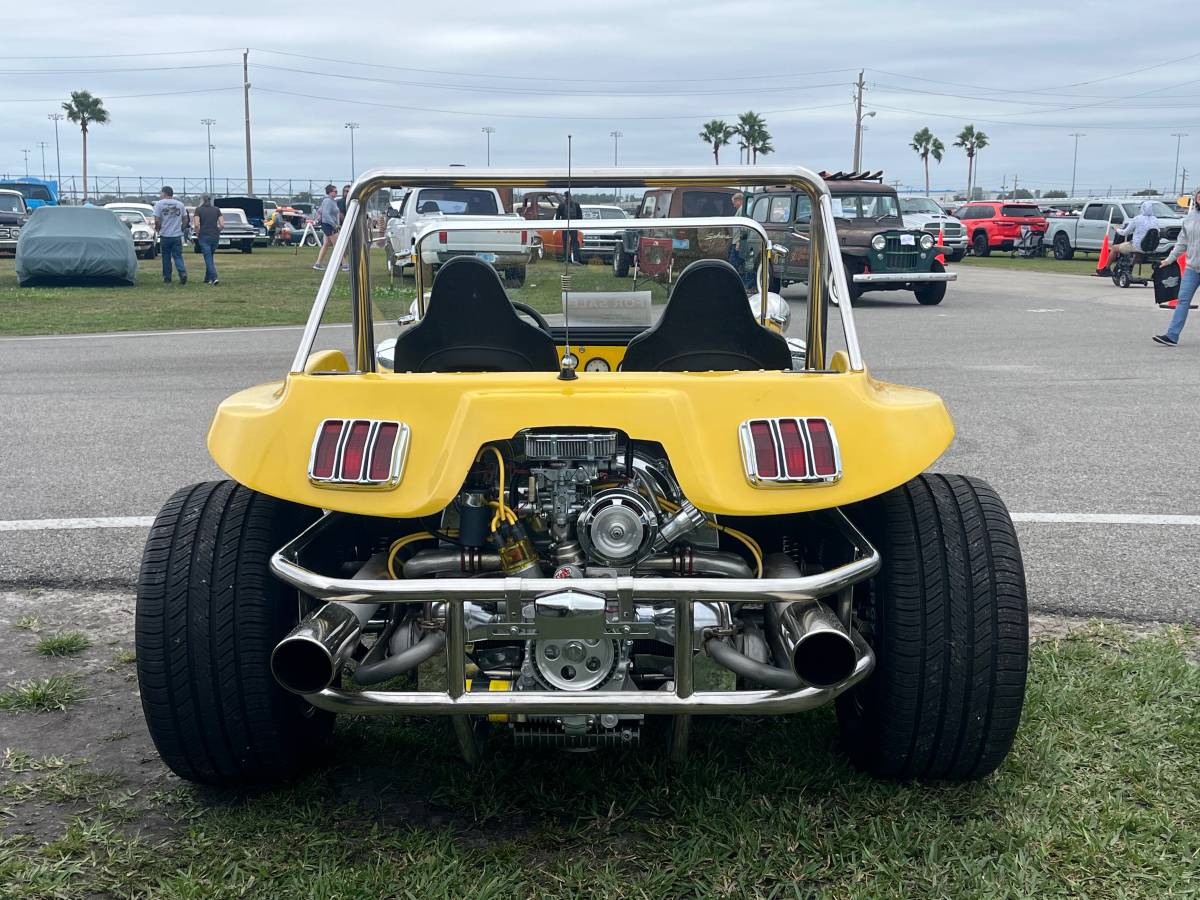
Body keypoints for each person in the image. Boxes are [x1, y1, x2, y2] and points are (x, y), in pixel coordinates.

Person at [1153, 188, 1200, 346]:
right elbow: (1182, 242)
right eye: (1199, 194)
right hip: (1192, 268)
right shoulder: (1190, 218)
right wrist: (1170, 259)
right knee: (1182, 300)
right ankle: (1172, 335)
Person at [1109, 201, 1160, 272]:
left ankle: (1106, 268)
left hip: (1137, 246)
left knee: (1114, 248)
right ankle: (1130, 268)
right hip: (1151, 247)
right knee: (1138, 252)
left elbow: (1125, 233)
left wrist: (1117, 229)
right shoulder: (1155, 220)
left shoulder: (1137, 219)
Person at [153, 185, 188, 284]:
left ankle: (167, 277)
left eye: (161, 193)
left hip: (165, 235)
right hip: (177, 235)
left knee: (166, 257)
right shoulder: (180, 204)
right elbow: (185, 219)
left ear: (164, 193)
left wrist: (158, 229)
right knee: (178, 256)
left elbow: (157, 220)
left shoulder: (159, 204)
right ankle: (182, 272)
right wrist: (182, 228)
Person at [192, 196, 224, 286]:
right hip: (215, 236)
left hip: (204, 236)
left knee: (208, 258)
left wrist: (197, 233)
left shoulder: (198, 210)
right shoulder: (216, 209)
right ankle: (207, 278)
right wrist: (218, 231)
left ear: (201, 201)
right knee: (210, 256)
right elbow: (222, 224)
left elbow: (197, 224)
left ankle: (214, 278)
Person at [313, 184, 345, 271]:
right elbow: (326, 214)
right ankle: (345, 264)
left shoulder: (332, 201)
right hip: (328, 225)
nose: (336, 193)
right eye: (335, 191)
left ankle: (318, 263)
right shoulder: (327, 201)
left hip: (329, 225)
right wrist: (334, 224)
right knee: (338, 245)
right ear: (330, 192)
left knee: (326, 245)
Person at [555, 190, 582, 264]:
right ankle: (576, 260)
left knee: (565, 243)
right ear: (570, 196)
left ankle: (567, 259)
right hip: (574, 226)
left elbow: (557, 217)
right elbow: (580, 216)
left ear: (565, 197)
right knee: (575, 243)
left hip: (565, 226)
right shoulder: (576, 205)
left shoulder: (561, 205)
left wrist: (559, 225)